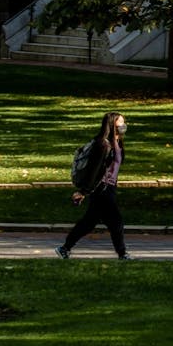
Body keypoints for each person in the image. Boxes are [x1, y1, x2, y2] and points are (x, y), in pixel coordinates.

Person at [55, 111, 133, 260]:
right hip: (101, 188)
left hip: (109, 187)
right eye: (120, 123)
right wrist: (84, 191)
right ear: (112, 125)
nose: (124, 126)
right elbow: (94, 170)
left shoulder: (118, 142)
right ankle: (122, 254)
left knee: (89, 222)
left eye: (124, 122)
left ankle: (64, 248)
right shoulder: (103, 144)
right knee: (116, 221)